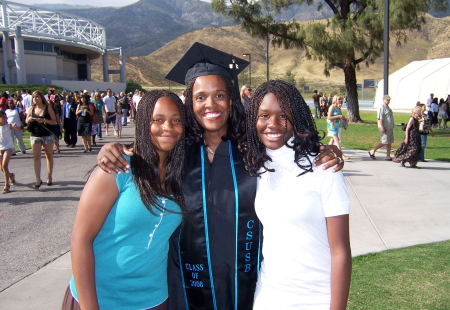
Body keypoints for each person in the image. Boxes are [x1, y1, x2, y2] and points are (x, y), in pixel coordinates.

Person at [95, 42, 344, 310]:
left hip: (248, 285)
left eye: (219, 95)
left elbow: (289, 147)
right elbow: (146, 150)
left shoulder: (253, 148)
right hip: (187, 286)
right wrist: (113, 148)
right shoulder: (179, 150)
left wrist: (326, 150)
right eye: (200, 97)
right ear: (189, 102)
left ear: (232, 99)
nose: (210, 104)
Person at [61, 90, 186, 310]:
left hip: (153, 300)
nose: (168, 127)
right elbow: (80, 240)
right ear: (142, 122)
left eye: (176, 120)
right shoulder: (117, 169)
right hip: (101, 299)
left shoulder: (181, 175)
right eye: (157, 120)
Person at [245, 80, 351, 310]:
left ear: (296, 118)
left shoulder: (324, 167)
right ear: (253, 119)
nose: (272, 124)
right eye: (264, 115)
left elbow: (341, 251)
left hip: (316, 298)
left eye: (283, 115)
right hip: (269, 295)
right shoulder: (257, 165)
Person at [25, 90, 57, 188]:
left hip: (46, 135)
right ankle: (38, 179)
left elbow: (54, 121)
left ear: (41, 98)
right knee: (36, 157)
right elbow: (26, 120)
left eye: (37, 96)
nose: (35, 99)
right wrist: (29, 119)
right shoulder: (31, 108)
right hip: (35, 135)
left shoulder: (48, 107)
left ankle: (49, 176)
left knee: (49, 155)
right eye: (34, 97)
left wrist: (44, 120)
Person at [0, 111, 21, 193]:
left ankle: (7, 185)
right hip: (0, 148)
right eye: (3, 117)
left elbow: (19, 130)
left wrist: (15, 127)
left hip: (8, 147)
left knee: (5, 166)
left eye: (6, 117)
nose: (5, 119)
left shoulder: (8, 126)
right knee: (2, 168)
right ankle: (11, 175)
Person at [368, 95, 394, 161]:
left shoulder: (388, 107)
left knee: (389, 141)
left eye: (389, 100)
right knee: (384, 141)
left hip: (389, 127)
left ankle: (388, 155)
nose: (388, 101)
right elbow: (380, 118)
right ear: (383, 99)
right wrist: (382, 127)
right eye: (387, 100)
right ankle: (373, 151)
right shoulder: (381, 107)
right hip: (384, 127)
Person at [327, 95, 350, 160]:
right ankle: (341, 155)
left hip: (337, 126)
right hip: (332, 126)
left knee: (332, 140)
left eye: (341, 99)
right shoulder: (332, 107)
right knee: (337, 140)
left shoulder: (338, 108)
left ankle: (326, 152)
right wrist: (338, 116)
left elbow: (340, 117)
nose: (340, 100)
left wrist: (343, 118)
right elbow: (329, 117)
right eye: (338, 99)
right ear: (335, 100)